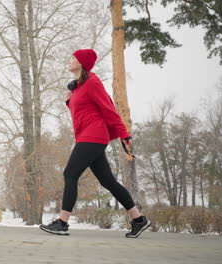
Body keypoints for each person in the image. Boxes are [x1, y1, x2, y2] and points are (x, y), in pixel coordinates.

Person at [39, 49, 151, 238]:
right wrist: (69, 103)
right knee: (108, 181)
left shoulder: (92, 83)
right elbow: (83, 113)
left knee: (70, 174)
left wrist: (124, 134)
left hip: (93, 136)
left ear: (82, 63)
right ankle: (138, 219)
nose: (69, 60)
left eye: (73, 58)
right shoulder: (78, 87)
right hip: (88, 137)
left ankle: (62, 222)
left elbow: (109, 110)